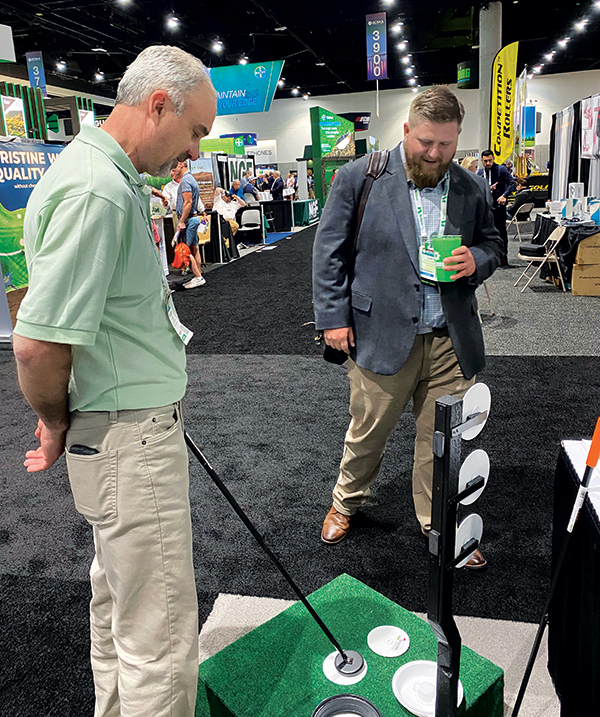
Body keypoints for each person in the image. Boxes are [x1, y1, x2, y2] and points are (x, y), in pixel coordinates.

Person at [12, 45, 216, 717]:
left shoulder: (106, 174)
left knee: (125, 613)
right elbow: (38, 342)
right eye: (194, 133)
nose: (194, 154)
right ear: (159, 104)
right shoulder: (97, 188)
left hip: (123, 437)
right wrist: (51, 419)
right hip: (129, 440)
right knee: (159, 639)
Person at [313, 86, 503, 569]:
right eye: (425, 143)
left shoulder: (470, 186)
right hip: (379, 333)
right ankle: (345, 501)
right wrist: (333, 319)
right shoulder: (362, 177)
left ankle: (438, 523)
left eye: (445, 144)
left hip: (449, 339)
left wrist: (475, 260)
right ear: (406, 131)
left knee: (442, 442)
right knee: (368, 431)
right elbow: (329, 252)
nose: (435, 154)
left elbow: (493, 243)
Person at [478, 149, 516, 265]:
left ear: (493, 158)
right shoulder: (480, 173)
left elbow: (512, 183)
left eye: (489, 160)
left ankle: (503, 257)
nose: (488, 163)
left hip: (499, 207)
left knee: (501, 233)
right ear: (482, 161)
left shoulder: (501, 170)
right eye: (485, 161)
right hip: (485, 208)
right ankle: (488, 258)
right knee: (485, 234)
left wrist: (504, 195)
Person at [175, 160, 206, 289]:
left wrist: (181, 221)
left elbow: (188, 202)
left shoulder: (186, 181)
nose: (173, 170)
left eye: (174, 166)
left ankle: (198, 277)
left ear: (181, 165)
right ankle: (198, 275)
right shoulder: (191, 179)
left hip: (189, 220)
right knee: (194, 248)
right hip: (192, 219)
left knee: (185, 250)